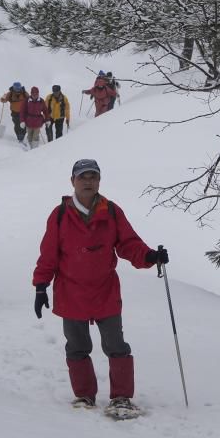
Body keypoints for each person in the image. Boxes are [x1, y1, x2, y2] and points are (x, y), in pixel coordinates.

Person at [32, 159, 169, 417]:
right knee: (77, 346)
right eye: (83, 177)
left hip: (105, 290)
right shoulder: (60, 215)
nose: (88, 181)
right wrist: (41, 285)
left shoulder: (112, 212)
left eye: (93, 176)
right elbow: (48, 254)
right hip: (71, 292)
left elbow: (129, 244)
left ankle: (121, 398)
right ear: (73, 181)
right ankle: (84, 396)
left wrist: (150, 256)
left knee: (116, 345)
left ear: (99, 181)